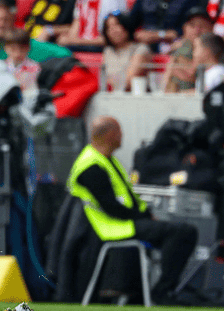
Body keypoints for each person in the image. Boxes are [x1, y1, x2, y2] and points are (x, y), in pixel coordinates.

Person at [67, 115, 198, 304]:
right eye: (119, 131)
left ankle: (156, 291)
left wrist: (146, 215)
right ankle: (162, 292)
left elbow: (127, 199)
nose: (122, 135)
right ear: (110, 134)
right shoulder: (90, 165)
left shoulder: (106, 160)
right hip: (115, 227)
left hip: (127, 222)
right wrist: (143, 218)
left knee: (183, 232)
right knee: (182, 232)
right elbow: (112, 207)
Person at [162, 6, 213, 93]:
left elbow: (192, 75)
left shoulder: (214, 50)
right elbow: (166, 82)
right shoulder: (179, 48)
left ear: (211, 28)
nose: (197, 30)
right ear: (184, 27)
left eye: (202, 26)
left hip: (201, 96)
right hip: (177, 97)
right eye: (192, 25)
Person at [101, 12, 151, 92]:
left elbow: (128, 81)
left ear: (126, 25)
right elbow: (102, 78)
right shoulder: (108, 51)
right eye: (108, 28)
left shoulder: (141, 49)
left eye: (116, 25)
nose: (113, 30)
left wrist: (107, 84)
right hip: (108, 94)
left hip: (131, 96)